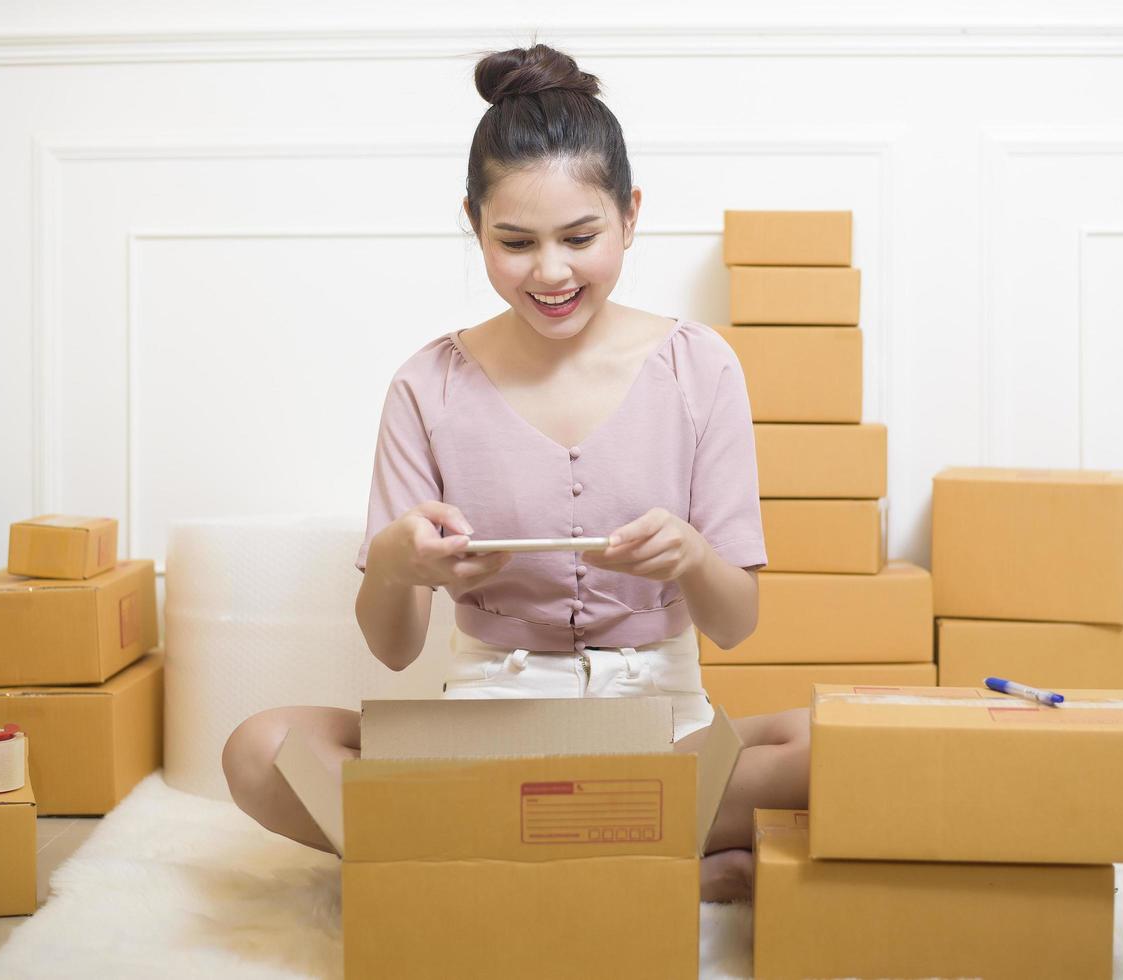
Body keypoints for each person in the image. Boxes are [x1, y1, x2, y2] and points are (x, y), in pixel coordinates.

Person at [221, 43, 810, 903]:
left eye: (581, 237)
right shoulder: (428, 385)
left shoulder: (700, 367)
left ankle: (498, 856)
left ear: (631, 213)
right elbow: (393, 652)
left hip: (662, 733)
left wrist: (689, 557)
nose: (552, 272)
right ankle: (642, 855)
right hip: (483, 742)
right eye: (515, 242)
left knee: (843, 742)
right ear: (473, 224)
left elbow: (738, 624)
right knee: (258, 747)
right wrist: (395, 560)